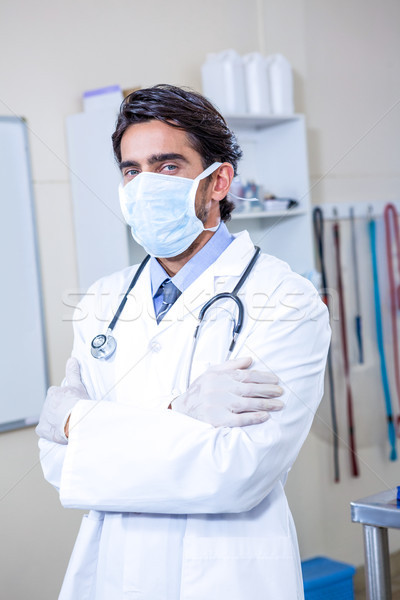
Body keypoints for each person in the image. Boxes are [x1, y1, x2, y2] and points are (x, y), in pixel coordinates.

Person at [37, 84, 330, 600]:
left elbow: (238, 472)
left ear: (218, 181)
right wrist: (183, 418)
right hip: (113, 571)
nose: (143, 185)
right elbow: (58, 464)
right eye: (132, 171)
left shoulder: (287, 299)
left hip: (225, 575)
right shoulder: (101, 301)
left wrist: (79, 424)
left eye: (167, 166)